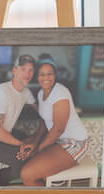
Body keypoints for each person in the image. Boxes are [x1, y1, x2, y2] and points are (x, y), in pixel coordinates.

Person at [19, 53, 89, 186]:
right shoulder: (41, 94)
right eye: (42, 74)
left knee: (27, 174)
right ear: (37, 76)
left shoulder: (60, 93)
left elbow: (58, 129)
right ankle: (52, 186)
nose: (46, 77)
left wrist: (38, 149)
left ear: (55, 75)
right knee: (26, 156)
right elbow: (44, 121)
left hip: (74, 143)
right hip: (58, 141)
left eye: (49, 73)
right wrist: (35, 141)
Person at [0, 54, 43, 186]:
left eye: (31, 70)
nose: (27, 74)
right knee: (25, 160)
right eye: (23, 69)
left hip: (4, 135)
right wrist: (20, 145)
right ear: (14, 70)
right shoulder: (1, 93)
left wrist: (57, 110)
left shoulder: (25, 91)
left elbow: (38, 108)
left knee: (31, 143)